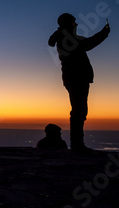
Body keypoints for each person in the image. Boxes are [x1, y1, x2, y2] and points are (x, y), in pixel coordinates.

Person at [48, 13, 110, 152]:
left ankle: (77, 143)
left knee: (79, 110)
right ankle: (77, 144)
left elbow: (84, 43)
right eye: (73, 22)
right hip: (76, 78)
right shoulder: (66, 38)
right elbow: (87, 44)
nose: (76, 24)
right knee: (79, 111)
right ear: (68, 23)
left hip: (75, 78)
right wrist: (104, 33)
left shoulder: (64, 36)